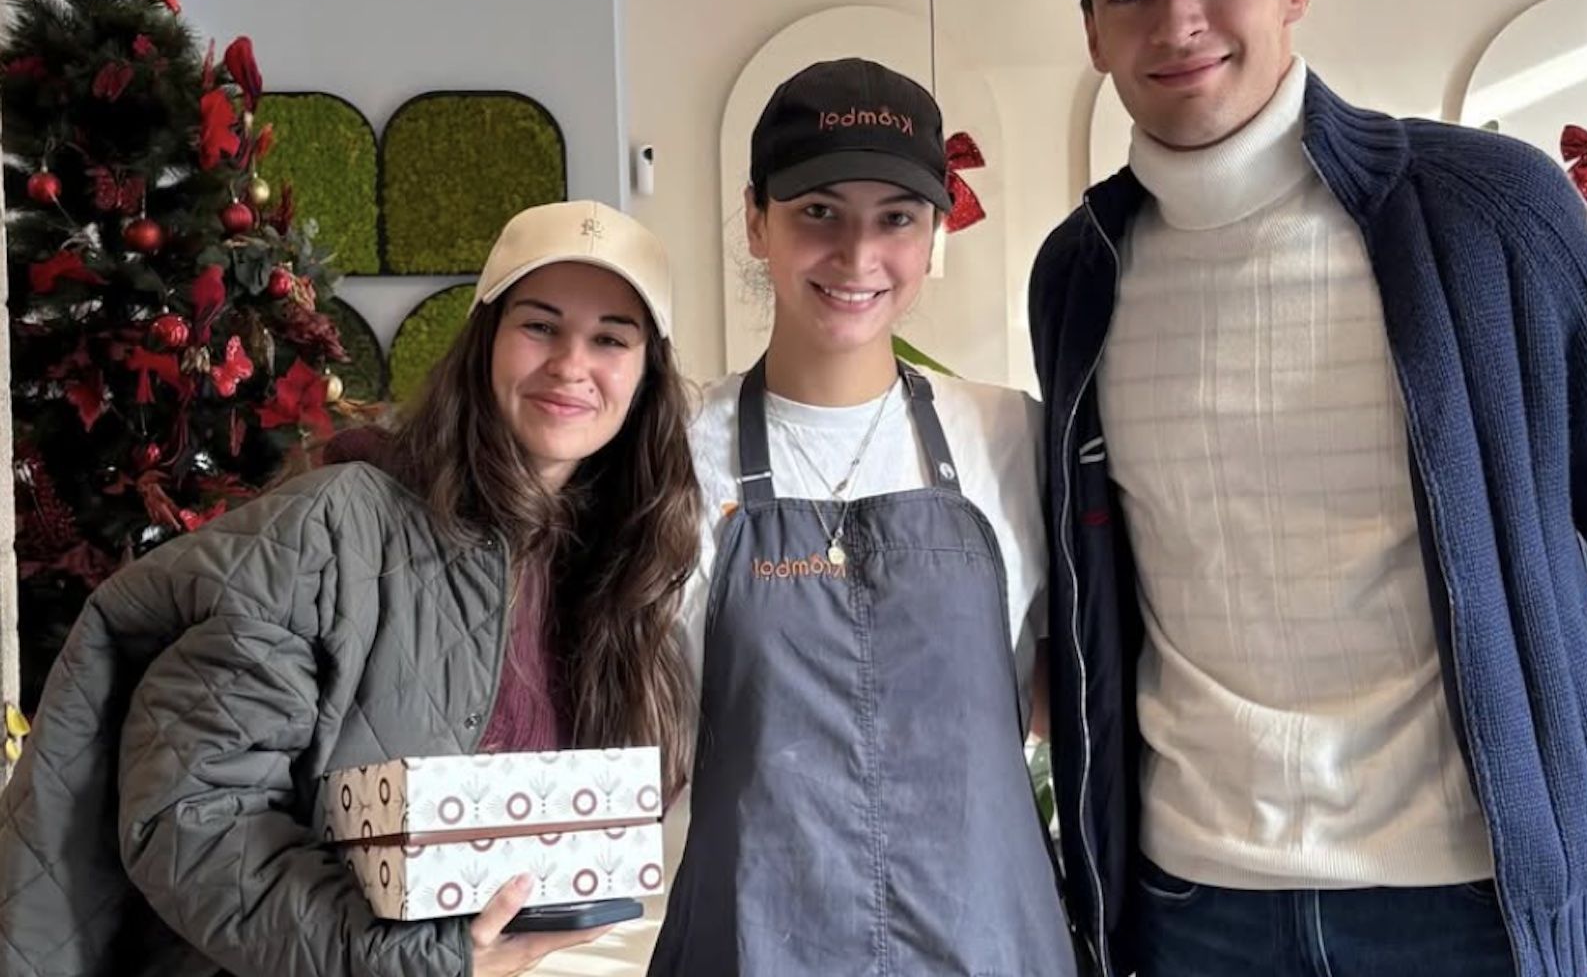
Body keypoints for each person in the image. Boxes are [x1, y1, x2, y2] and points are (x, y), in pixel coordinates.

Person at [1028, 0, 1587, 977]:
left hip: (1480, 909)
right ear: (1091, 30)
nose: (1176, 19)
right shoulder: (1076, 273)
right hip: (1199, 911)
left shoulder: (1493, 213)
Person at [0, 200, 698, 977]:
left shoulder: (626, 572)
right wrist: (421, 959)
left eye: (610, 338)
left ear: (644, 376)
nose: (571, 364)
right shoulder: (329, 530)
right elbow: (193, 818)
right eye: (539, 325)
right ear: (485, 343)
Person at [648, 57, 1077, 976]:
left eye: (895, 218)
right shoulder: (674, 455)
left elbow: (1070, 697)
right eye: (817, 213)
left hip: (989, 943)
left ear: (933, 236)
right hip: (750, 940)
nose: (856, 255)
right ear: (756, 219)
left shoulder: (1011, 437)